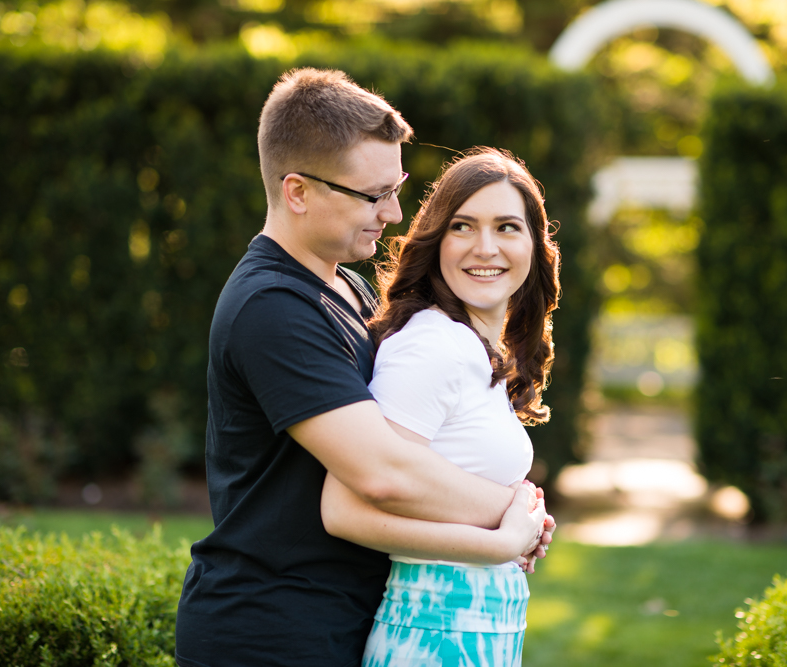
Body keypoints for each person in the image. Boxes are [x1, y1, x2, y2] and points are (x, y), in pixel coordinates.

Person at [174, 69, 552, 667]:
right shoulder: (271, 308)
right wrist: (511, 516)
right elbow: (381, 472)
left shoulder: (346, 290)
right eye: (374, 195)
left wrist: (514, 516)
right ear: (297, 191)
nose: (396, 213)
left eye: (396, 186)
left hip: (340, 621)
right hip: (272, 633)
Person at [320, 147, 561, 666]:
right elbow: (345, 510)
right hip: (433, 633)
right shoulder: (432, 345)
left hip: (481, 630)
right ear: (437, 240)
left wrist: (519, 522)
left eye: (507, 227)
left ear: (536, 246)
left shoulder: (474, 349)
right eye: (463, 226)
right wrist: (501, 541)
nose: (485, 247)